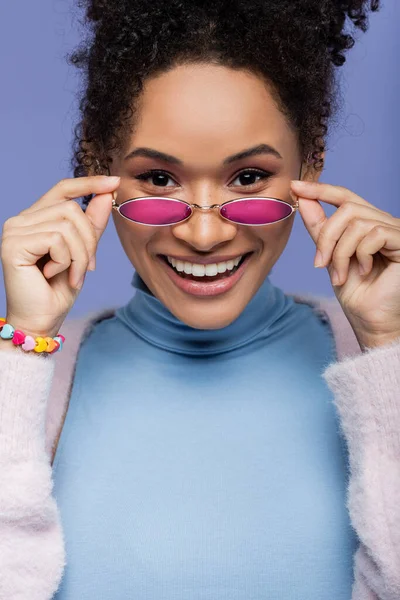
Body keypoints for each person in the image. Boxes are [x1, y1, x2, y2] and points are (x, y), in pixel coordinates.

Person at [0, 0, 399, 598]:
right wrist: (22, 349)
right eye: (159, 180)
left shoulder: (376, 368)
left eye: (248, 178)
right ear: (97, 162)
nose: (205, 233)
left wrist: (388, 347)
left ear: (309, 159)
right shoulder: (32, 380)